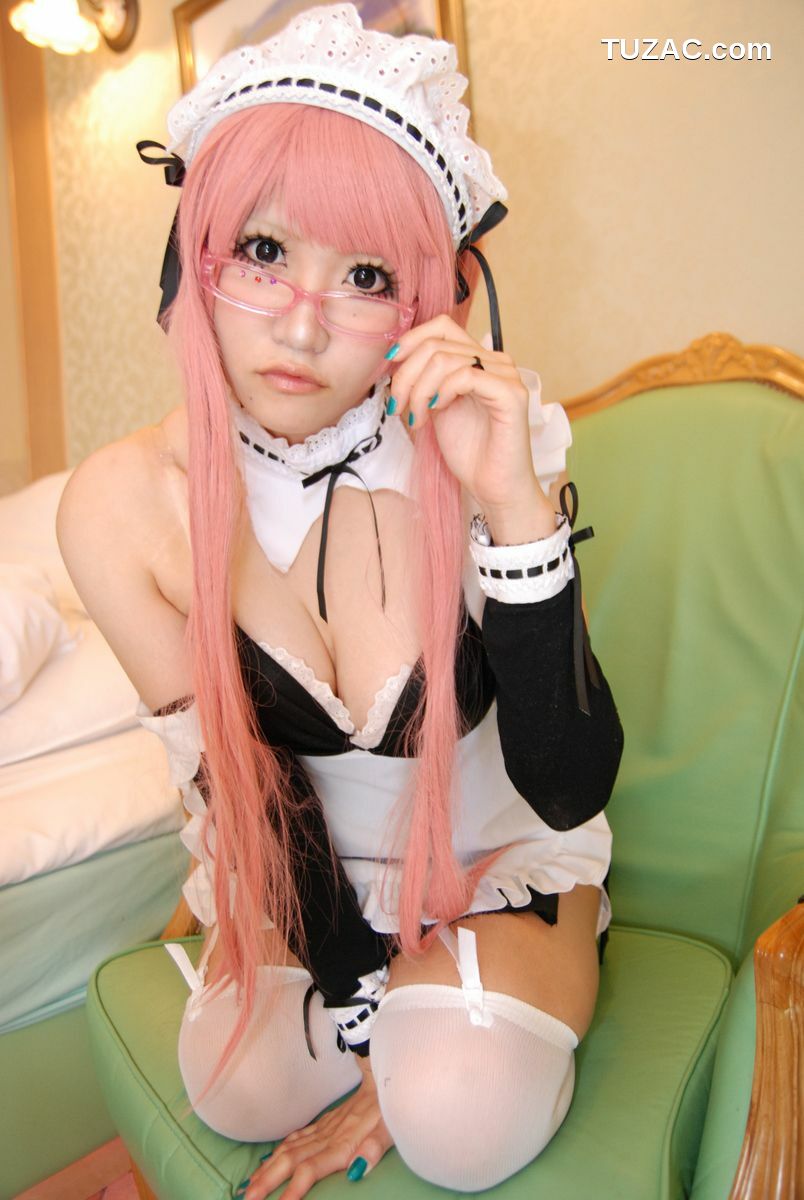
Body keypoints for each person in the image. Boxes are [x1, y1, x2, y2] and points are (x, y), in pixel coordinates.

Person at [57, 5, 624, 1196]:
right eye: (262, 251)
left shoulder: (478, 445)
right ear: (191, 259)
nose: (304, 326)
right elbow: (251, 793)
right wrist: (367, 1009)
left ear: (424, 300)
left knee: (457, 1115)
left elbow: (569, 781)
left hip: (498, 855)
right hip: (312, 876)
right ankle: (413, 1022)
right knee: (234, 1077)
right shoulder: (123, 504)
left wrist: (511, 503)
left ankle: (454, 1026)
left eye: (364, 276)